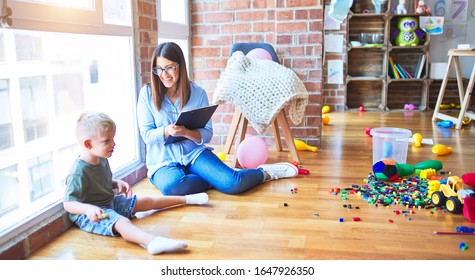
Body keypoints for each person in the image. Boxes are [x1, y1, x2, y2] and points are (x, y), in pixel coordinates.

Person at [136, 42, 298, 196]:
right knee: (173, 187)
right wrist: (166, 131)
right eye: (159, 69)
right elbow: (147, 135)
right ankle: (217, 180)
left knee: (233, 184)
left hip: (193, 154)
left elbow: (207, 134)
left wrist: (186, 132)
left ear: (180, 66)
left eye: (169, 68)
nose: (164, 75)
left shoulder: (197, 93)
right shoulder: (147, 93)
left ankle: (266, 173)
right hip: (163, 161)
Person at [63, 111, 209, 255]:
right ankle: (152, 242)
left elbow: (97, 182)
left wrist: (115, 183)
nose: (114, 144)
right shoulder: (78, 171)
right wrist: (88, 209)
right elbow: (68, 204)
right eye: (107, 141)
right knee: (121, 222)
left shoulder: (101, 158)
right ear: (88, 144)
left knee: (146, 200)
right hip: (93, 214)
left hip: (109, 202)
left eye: (113, 138)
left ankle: (187, 199)